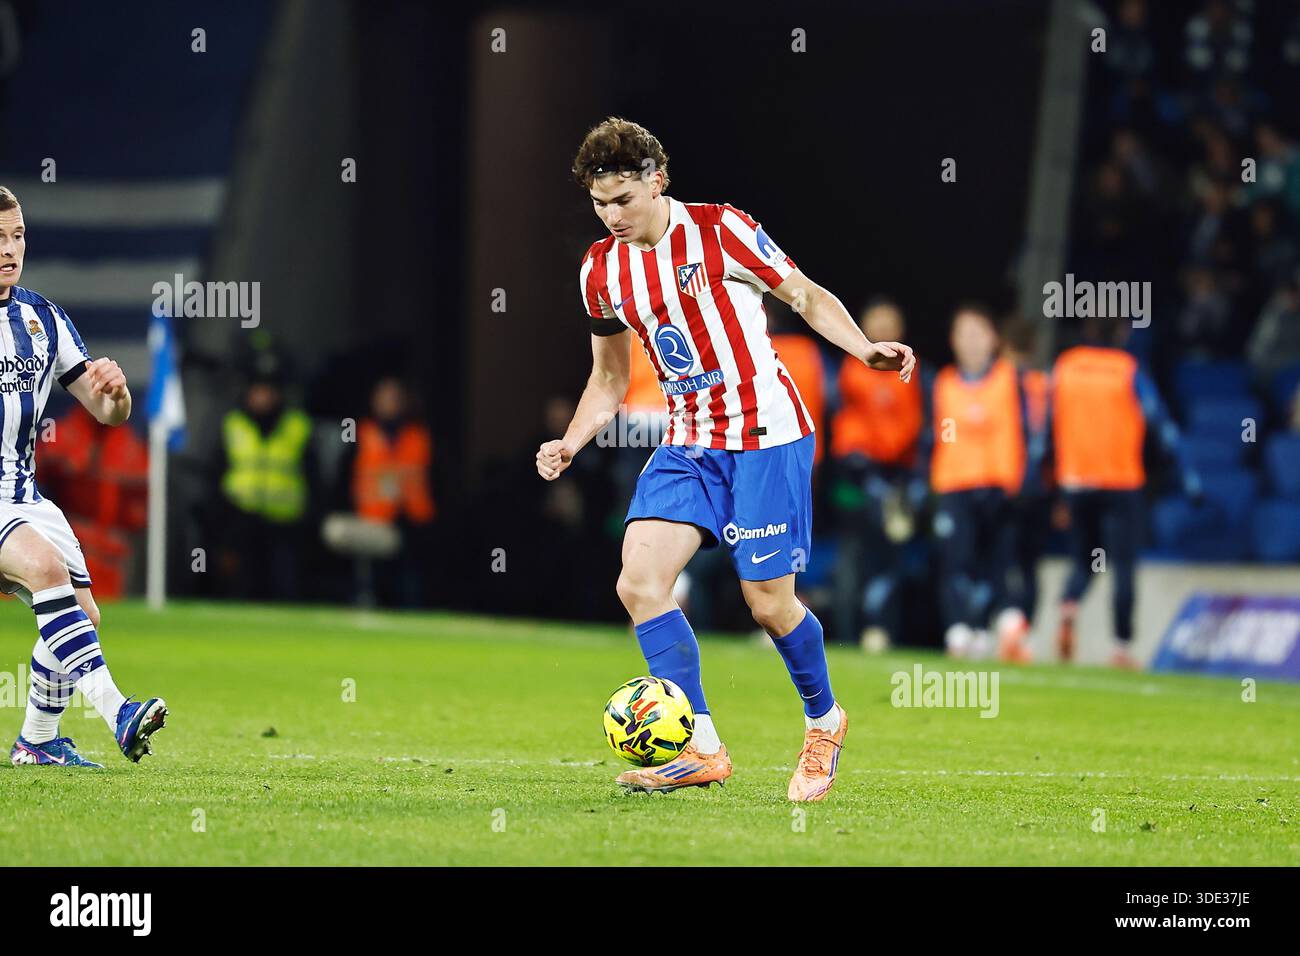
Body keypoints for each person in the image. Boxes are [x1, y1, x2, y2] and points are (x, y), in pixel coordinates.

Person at [537, 117, 914, 801]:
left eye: (623, 199)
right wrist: (573, 438)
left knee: (769, 606)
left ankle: (824, 722)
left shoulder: (720, 230)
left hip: (765, 437)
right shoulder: (601, 269)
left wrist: (863, 349)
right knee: (639, 582)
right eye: (599, 203)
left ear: (658, 179)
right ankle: (701, 749)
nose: (611, 216)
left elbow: (802, 294)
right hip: (688, 441)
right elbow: (611, 377)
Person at [0, 185, 166, 768]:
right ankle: (120, 712)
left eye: (17, 235)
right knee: (45, 569)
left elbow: (106, 414)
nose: (10, 249)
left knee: (81, 613)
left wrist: (115, 394)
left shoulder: (42, 318)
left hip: (23, 494)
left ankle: (38, 741)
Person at [1050, 317, 1201, 668]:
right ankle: (1120, 646)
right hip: (1120, 480)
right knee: (1122, 565)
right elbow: (1159, 421)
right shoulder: (1128, 369)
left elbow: (1044, 421)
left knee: (1084, 560)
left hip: (1076, 480)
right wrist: (1187, 475)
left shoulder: (1065, 366)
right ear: (1122, 333)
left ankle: (1070, 604)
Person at [919, 305, 1031, 660]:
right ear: (953, 341)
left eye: (978, 332)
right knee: (956, 562)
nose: (971, 341)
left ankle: (993, 628)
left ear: (993, 339)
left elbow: (1030, 433)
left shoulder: (1012, 380)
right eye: (963, 333)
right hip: (954, 487)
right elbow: (930, 438)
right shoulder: (941, 384)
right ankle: (959, 632)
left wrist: (1025, 482)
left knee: (1000, 563)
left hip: (1000, 488)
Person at [828, 298, 924, 650]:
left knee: (888, 559)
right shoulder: (849, 369)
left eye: (890, 323)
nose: (883, 329)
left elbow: (914, 428)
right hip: (852, 481)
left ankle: (878, 630)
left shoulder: (912, 375)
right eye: (876, 322)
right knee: (850, 555)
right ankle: (845, 633)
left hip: (893, 480)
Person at [351, 376, 434, 607]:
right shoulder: (362, 433)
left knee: (411, 589)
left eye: (395, 398)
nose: (390, 403)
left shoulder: (419, 436)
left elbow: (436, 478)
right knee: (370, 587)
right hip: (373, 521)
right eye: (384, 397)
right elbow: (347, 477)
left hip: (412, 522)